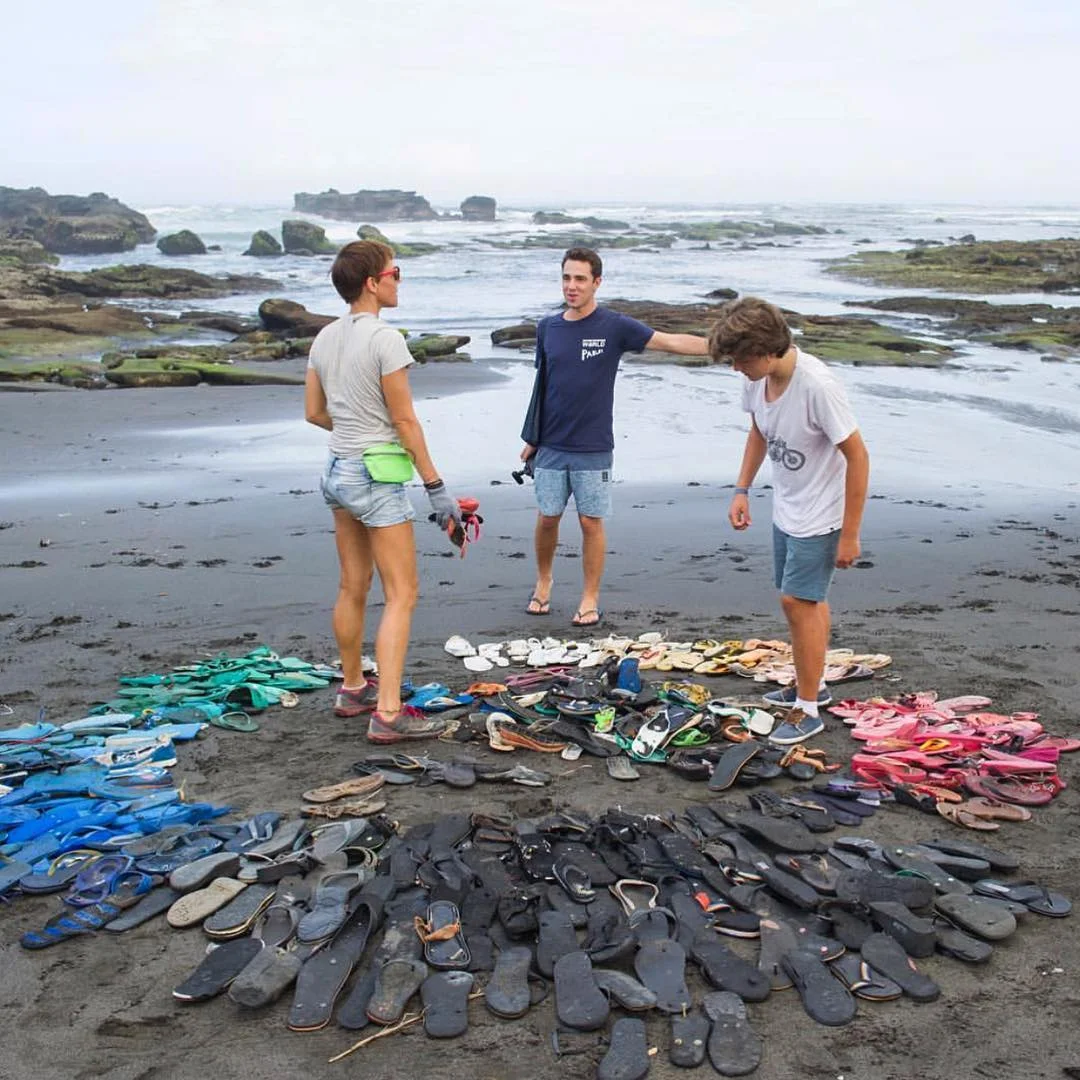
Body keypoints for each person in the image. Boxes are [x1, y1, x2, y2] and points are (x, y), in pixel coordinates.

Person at [305, 239, 461, 743]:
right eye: (395, 271)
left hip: (336, 469)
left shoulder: (325, 337)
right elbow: (404, 421)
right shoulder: (386, 339)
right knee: (403, 593)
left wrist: (352, 429)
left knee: (353, 585)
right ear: (372, 282)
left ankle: (353, 687)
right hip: (375, 476)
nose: (399, 279)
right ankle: (389, 712)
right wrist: (436, 487)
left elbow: (314, 412)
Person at [708, 296, 870, 746]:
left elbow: (858, 457)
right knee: (802, 601)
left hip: (823, 512)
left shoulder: (817, 386)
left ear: (766, 349)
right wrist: (742, 489)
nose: (736, 368)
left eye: (740, 359)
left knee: (798, 603)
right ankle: (812, 685)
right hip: (788, 505)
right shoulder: (757, 381)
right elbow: (759, 430)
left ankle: (807, 709)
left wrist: (851, 534)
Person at [519, 247, 709, 627]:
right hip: (552, 444)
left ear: (596, 283)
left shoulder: (614, 327)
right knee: (547, 518)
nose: (571, 286)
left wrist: (727, 348)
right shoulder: (547, 328)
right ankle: (544, 581)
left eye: (580, 279)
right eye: (566, 278)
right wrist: (531, 437)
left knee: (591, 522)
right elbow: (543, 386)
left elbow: (670, 342)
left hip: (593, 446)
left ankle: (589, 597)